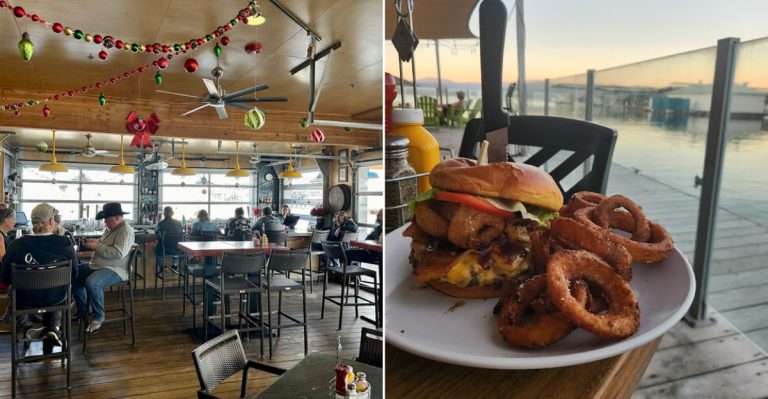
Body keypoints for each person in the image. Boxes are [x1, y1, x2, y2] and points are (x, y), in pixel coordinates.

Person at [0, 203, 77, 353]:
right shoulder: (65, 243)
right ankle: (53, 327)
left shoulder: (17, 245)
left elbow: (5, 277)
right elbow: (74, 274)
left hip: (25, 301)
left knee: (15, 292)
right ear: (50, 221)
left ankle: (27, 327)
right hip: (57, 299)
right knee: (58, 291)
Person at [74, 202, 135, 333]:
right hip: (100, 265)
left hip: (116, 269)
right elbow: (105, 245)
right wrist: (96, 242)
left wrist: (97, 246)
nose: (105, 223)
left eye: (107, 220)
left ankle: (98, 317)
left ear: (117, 218)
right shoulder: (111, 229)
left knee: (92, 283)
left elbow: (118, 254)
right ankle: (84, 310)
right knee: (74, 274)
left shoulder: (125, 231)